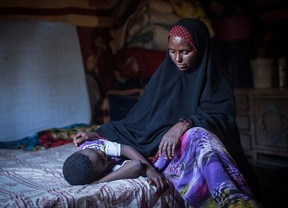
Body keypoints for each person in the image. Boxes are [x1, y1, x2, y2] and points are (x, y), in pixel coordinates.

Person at [74, 18, 261, 207]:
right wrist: (96, 134)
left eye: (185, 52)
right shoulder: (163, 78)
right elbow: (136, 122)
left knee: (197, 136)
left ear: (201, 49)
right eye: (172, 52)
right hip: (164, 151)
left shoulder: (215, 79)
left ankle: (232, 200)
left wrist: (183, 125)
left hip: (193, 145)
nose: (177, 59)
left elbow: (222, 119)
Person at [63, 136, 168, 190]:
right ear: (101, 173)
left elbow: (125, 148)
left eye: (96, 151)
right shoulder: (109, 171)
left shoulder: (89, 147)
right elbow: (136, 165)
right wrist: (100, 182)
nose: (102, 152)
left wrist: (150, 169)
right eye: (102, 161)